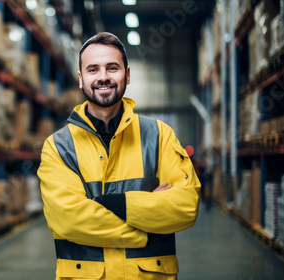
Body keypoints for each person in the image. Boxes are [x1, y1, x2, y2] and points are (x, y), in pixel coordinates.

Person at [37, 32, 201, 280]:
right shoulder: (58, 147)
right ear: (81, 79)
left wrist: (109, 204)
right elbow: (67, 219)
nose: (103, 77)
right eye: (93, 70)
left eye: (112, 68)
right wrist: (144, 229)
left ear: (127, 74)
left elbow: (185, 207)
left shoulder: (159, 135)